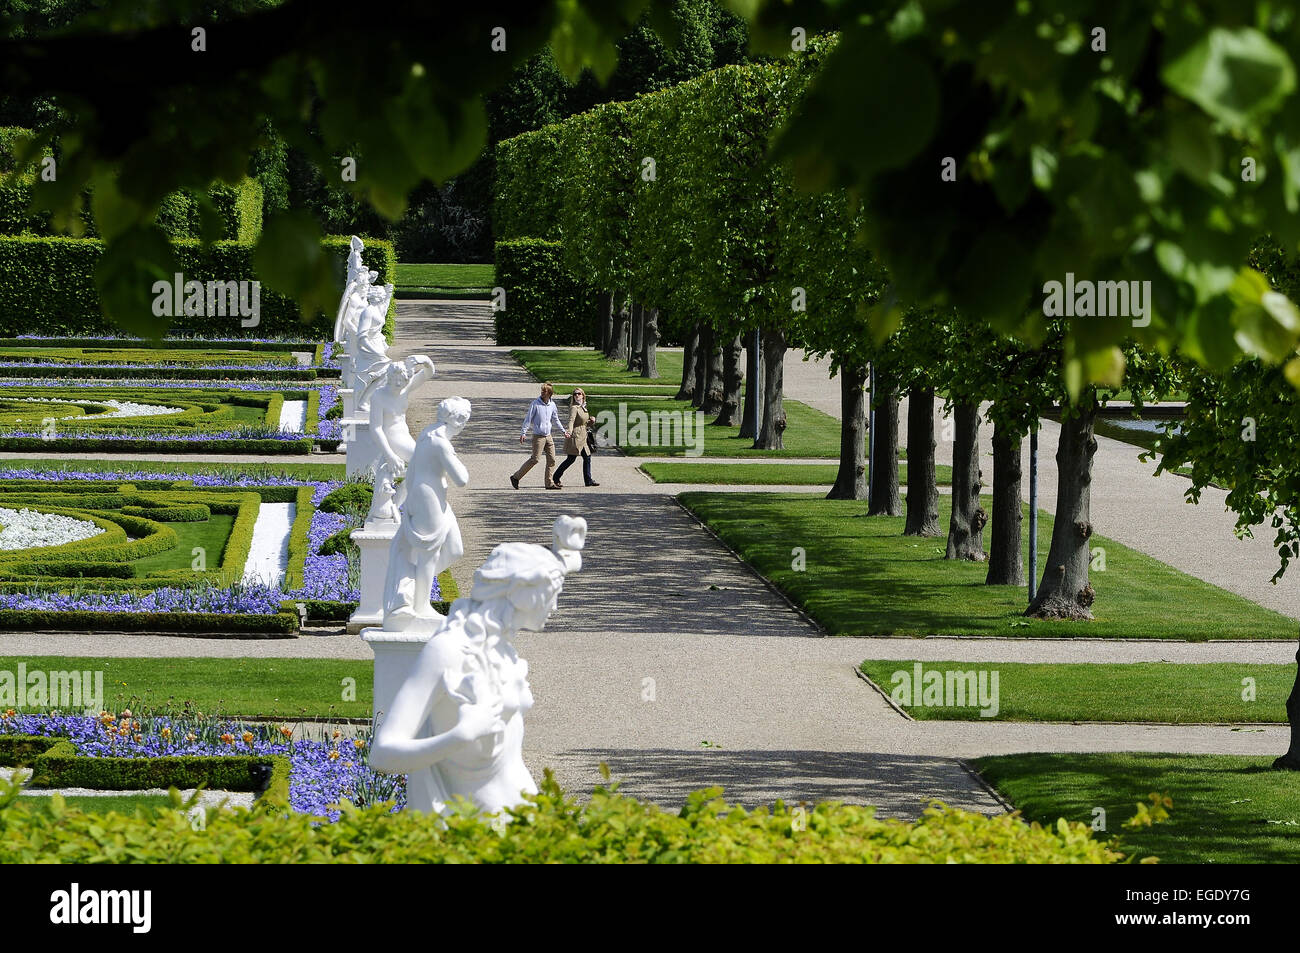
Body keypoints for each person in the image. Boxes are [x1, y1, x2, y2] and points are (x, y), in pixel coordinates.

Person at [510, 383, 568, 490]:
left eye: (544, 391)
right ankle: (515, 477)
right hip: (538, 437)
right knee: (535, 459)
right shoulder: (535, 404)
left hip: (548, 436)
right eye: (542, 390)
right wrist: (523, 432)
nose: (542, 392)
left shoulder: (552, 405)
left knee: (552, 460)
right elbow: (528, 419)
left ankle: (549, 483)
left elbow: (555, 419)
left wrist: (563, 431)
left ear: (549, 393)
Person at [552, 388, 599, 488]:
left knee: (587, 457)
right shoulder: (574, 408)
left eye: (579, 394)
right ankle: (556, 477)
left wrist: (592, 421)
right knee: (571, 459)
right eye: (575, 394)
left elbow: (585, 423)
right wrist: (568, 431)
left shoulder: (583, 407)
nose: (577, 395)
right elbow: (571, 420)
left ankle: (588, 480)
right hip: (576, 436)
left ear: (583, 395)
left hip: (584, 435)